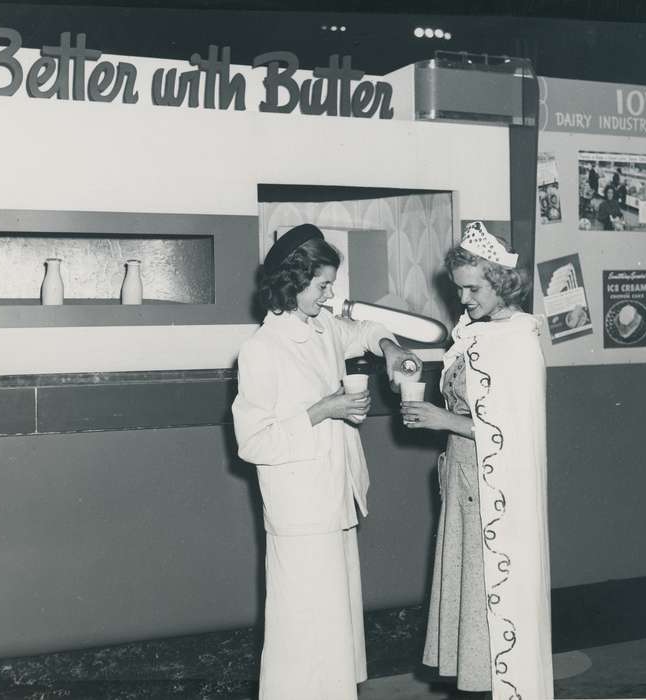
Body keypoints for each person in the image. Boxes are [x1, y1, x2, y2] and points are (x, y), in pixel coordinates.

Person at [232, 223, 421, 700]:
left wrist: (391, 350)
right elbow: (253, 442)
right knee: (302, 635)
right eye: (323, 285)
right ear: (293, 282)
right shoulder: (261, 350)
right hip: (300, 512)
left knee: (333, 631)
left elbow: (369, 331)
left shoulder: (322, 328)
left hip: (335, 498)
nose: (330, 294)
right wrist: (325, 409)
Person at [400, 221, 553, 700]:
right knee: (474, 609)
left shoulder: (517, 340)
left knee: (494, 606)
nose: (463, 299)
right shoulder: (478, 332)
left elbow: (515, 434)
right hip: (465, 482)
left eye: (474, 289)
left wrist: (442, 420)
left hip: (494, 492)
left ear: (502, 284)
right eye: (459, 289)